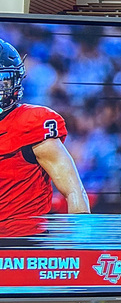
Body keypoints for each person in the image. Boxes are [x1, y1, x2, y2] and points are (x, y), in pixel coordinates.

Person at [0, 38, 90, 233]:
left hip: (24, 245)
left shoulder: (31, 123)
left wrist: (82, 243)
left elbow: (73, 189)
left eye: (2, 80)